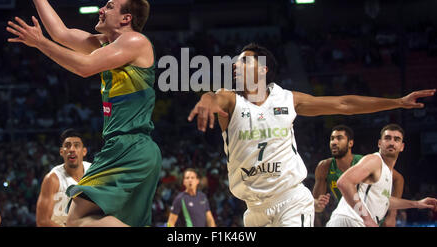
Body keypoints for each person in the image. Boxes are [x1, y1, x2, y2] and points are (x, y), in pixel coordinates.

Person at [187, 43, 435, 227]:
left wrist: (397, 102)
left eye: (243, 61)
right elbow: (215, 96)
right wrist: (207, 98)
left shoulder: (287, 99)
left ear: (262, 70)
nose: (234, 65)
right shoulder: (230, 100)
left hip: (291, 200)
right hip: (254, 208)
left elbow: (345, 104)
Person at [6, 0, 162, 227]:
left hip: (129, 147)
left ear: (126, 19)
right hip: (131, 148)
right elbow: (61, 34)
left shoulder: (135, 41)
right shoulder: (106, 44)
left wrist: (40, 43)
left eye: (110, 7)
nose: (102, 9)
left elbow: (84, 67)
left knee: (75, 219)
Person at [326, 124, 437, 227]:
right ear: (379, 143)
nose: (392, 143)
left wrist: (417, 204)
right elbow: (344, 182)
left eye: (396, 139)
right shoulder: (374, 160)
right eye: (387, 138)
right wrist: (367, 219)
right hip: (350, 220)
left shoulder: (387, 171)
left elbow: (384, 201)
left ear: (402, 146)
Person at [313, 124, 404, 226]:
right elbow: (317, 208)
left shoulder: (363, 161)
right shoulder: (324, 167)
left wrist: (392, 215)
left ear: (350, 143)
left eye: (339, 138)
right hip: (349, 217)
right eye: (332, 139)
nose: (334, 142)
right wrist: (318, 204)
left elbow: (398, 179)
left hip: (369, 218)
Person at [36, 129, 91, 226]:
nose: (71, 149)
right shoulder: (52, 179)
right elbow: (42, 221)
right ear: (61, 152)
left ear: (84, 151)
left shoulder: (93, 172)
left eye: (76, 145)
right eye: (67, 146)